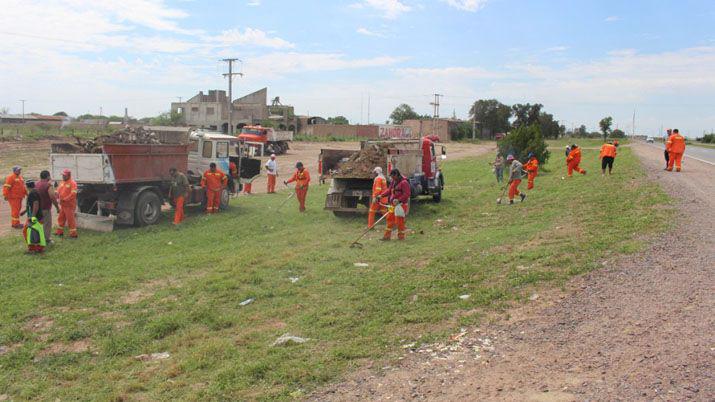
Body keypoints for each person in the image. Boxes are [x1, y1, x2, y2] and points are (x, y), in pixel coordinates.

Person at [380, 169, 411, 240]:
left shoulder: (404, 183)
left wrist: (398, 200)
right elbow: (389, 190)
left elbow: (407, 194)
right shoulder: (393, 182)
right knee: (389, 219)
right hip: (392, 205)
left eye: (393, 176)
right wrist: (381, 195)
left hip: (401, 205)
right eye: (391, 177)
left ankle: (401, 237)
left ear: (396, 175)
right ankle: (386, 237)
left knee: (399, 221)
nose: (392, 178)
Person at [20, 181, 45, 253]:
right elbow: (32, 205)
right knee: (38, 232)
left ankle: (32, 248)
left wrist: (32, 217)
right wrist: (25, 211)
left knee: (27, 232)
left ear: (27, 187)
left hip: (34, 217)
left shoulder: (32, 193)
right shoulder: (36, 192)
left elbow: (36, 204)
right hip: (38, 216)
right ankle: (39, 248)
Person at [35, 170, 59, 242]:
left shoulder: (37, 184)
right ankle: (46, 239)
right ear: (48, 176)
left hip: (37, 208)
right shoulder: (48, 185)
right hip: (45, 208)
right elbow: (52, 197)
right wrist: (57, 207)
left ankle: (38, 238)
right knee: (47, 224)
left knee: (39, 224)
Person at [55, 169, 78, 238]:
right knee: (61, 218)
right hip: (63, 205)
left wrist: (65, 199)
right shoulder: (62, 182)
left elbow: (73, 194)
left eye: (64, 175)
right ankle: (59, 232)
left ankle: (73, 234)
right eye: (62, 175)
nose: (63, 177)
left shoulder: (73, 183)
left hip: (69, 205)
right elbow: (58, 191)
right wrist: (56, 195)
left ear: (69, 175)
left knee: (70, 220)